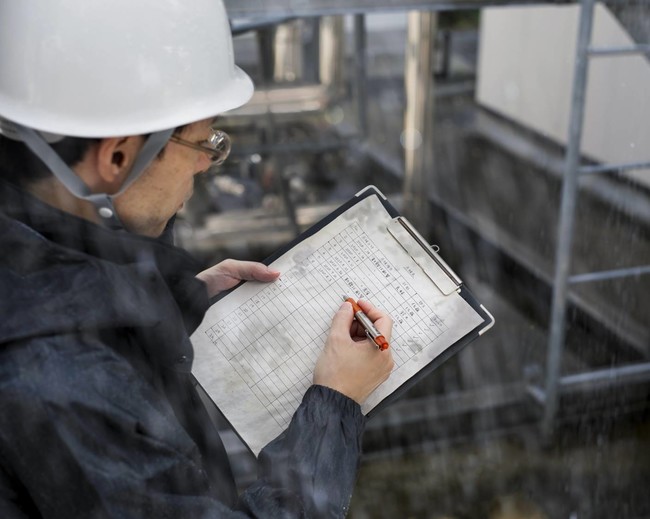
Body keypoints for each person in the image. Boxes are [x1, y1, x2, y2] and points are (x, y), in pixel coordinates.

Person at [0, 1, 394, 518]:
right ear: (118, 156)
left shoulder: (28, 249)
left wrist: (177, 297)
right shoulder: (59, 384)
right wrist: (334, 402)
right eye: (203, 139)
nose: (209, 161)